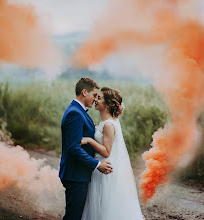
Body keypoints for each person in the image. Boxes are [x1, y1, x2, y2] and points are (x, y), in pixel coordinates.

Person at [81, 87, 144, 220]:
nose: (95, 100)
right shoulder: (105, 122)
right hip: (99, 168)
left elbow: (107, 151)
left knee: (104, 205)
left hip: (105, 169)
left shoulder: (109, 125)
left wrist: (89, 141)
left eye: (99, 98)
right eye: (96, 97)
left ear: (108, 105)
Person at [59, 78, 113, 220]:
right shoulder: (75, 113)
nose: (95, 99)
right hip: (75, 174)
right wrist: (97, 164)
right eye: (94, 95)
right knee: (73, 216)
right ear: (84, 92)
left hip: (79, 173)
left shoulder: (78, 111)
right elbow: (73, 148)